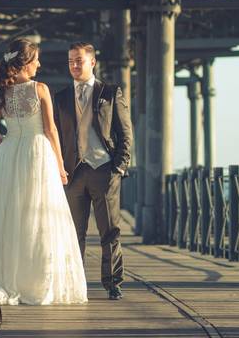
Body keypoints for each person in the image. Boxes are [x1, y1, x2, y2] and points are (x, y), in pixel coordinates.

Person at [0, 38, 87, 306]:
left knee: (8, 215)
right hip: (38, 153)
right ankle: (34, 279)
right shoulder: (40, 89)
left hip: (10, 154)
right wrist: (60, 166)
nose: (40, 64)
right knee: (39, 214)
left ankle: (5, 275)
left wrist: (11, 143)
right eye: (37, 59)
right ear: (26, 62)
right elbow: (50, 130)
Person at [53, 42, 133, 300]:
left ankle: (113, 283)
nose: (74, 65)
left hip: (104, 170)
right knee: (73, 233)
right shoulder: (61, 97)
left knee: (109, 231)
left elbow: (125, 134)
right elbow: (55, 136)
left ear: (92, 62)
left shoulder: (110, 92)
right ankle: (76, 284)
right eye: (70, 61)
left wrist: (119, 167)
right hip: (73, 173)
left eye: (78, 60)